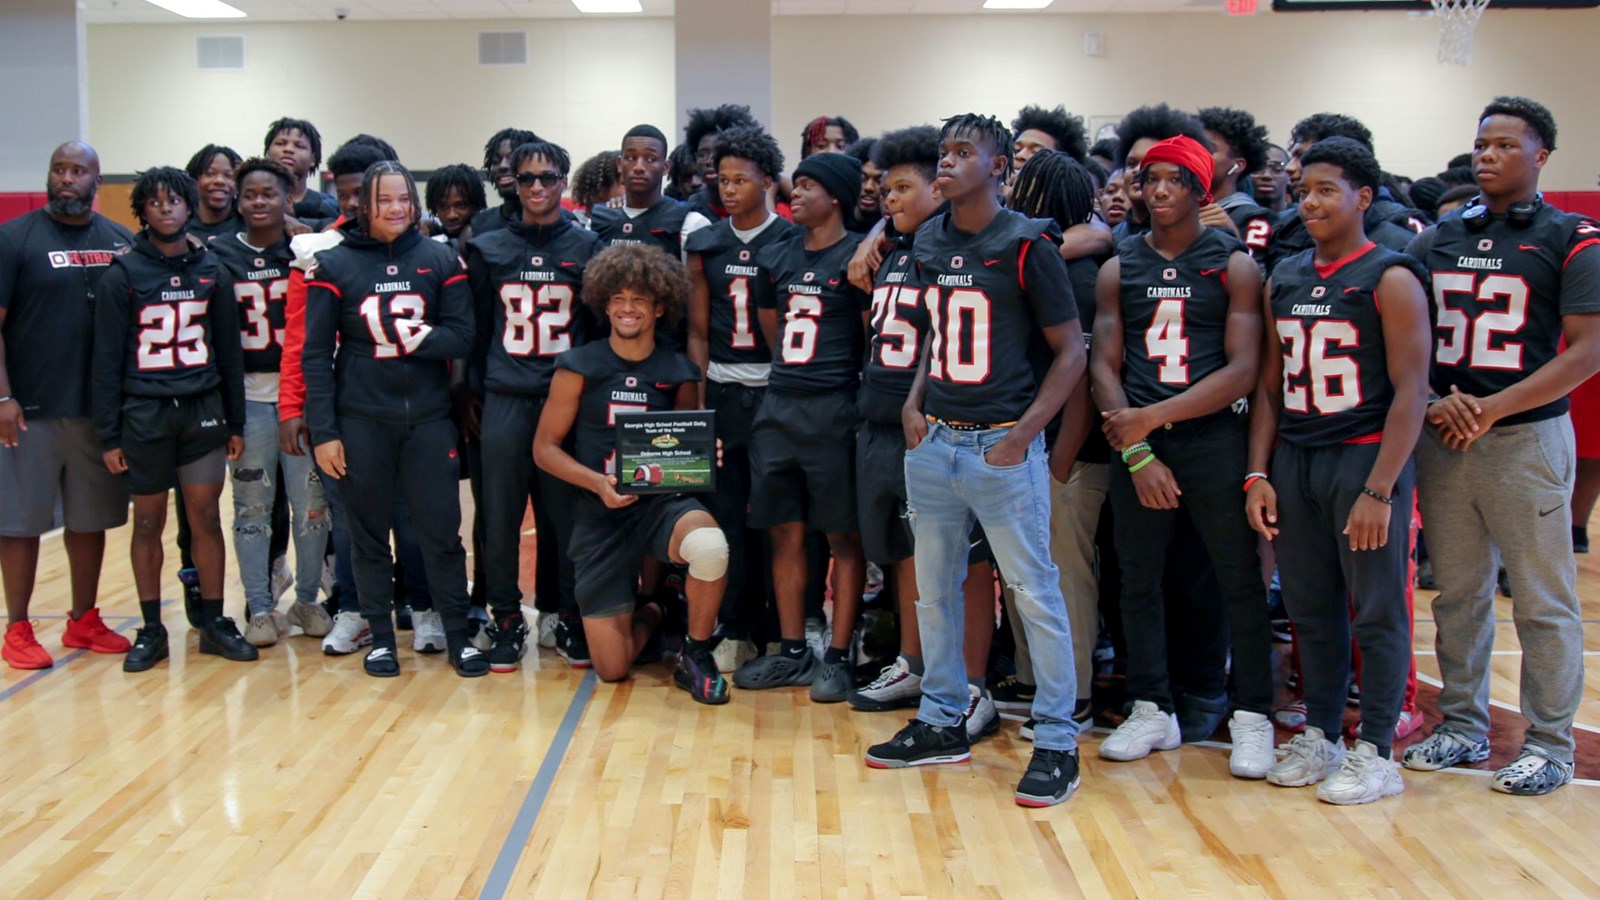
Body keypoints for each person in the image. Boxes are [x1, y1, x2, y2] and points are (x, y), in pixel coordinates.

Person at [865, 113, 1085, 809]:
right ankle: (940, 721)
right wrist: (914, 401)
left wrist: (1024, 435)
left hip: (1000, 445)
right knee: (933, 590)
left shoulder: (1027, 245)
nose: (949, 163)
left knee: (1033, 593)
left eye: (965, 152)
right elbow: (934, 330)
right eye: (945, 152)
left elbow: (1071, 351)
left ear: (999, 168)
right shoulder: (928, 237)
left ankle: (1055, 740)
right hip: (934, 439)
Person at [1401, 97, 1600, 795]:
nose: (1487, 155)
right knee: (1457, 593)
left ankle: (1549, 744)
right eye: (1481, 144)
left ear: (1540, 156)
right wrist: (1435, 401)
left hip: (1525, 439)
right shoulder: (1437, 238)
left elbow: (1587, 351)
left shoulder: (1573, 237)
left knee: (1543, 600)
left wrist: (1491, 407)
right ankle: (1461, 723)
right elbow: (1403, 338)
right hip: (1447, 436)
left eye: (1504, 145)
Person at [1244, 137, 1431, 805]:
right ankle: (1321, 735)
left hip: (1365, 455)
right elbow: (1269, 387)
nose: (1311, 201)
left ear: (1363, 196)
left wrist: (1381, 487)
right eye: (1304, 191)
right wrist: (1258, 472)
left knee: (1377, 612)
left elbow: (1414, 391)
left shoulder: (1392, 276)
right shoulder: (1285, 276)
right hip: (1296, 457)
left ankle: (1377, 750)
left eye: (1327, 189)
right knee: (1310, 611)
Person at [1089, 136, 1276, 779]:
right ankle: (1151, 706)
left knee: (1237, 579)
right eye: (1150, 179)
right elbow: (1102, 366)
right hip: (1138, 445)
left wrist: (1155, 417)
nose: (1160, 190)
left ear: (1201, 189)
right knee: (1137, 579)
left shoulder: (1234, 264)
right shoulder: (1119, 265)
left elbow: (1246, 368)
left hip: (1211, 439)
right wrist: (1139, 449)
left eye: (1175, 179)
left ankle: (1253, 715)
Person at [301, 160, 483, 678]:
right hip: (361, 420)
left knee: (441, 533)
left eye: (404, 199)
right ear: (363, 205)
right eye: (384, 200)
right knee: (367, 535)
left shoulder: (439, 258)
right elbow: (314, 356)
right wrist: (325, 432)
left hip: (427, 420)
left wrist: (412, 335)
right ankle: (380, 637)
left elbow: (462, 336)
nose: (395, 209)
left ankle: (455, 635)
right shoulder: (333, 264)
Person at [847, 126, 999, 739]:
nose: (889, 199)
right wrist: (876, 232)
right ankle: (915, 664)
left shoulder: (955, 247)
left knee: (965, 561)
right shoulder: (889, 248)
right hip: (880, 418)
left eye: (903, 187)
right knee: (907, 554)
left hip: (944, 424)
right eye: (884, 190)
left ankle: (971, 684)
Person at [532, 242, 731, 701]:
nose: (627, 308)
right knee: (613, 669)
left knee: (709, 544)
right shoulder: (578, 365)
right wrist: (598, 484)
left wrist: (704, 452)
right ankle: (660, 610)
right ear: (605, 303)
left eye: (639, 299)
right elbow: (544, 448)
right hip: (600, 514)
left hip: (661, 506)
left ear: (659, 306)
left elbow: (686, 440)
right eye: (618, 299)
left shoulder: (679, 370)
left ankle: (695, 653)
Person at [91, 166, 251, 672]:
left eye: (174, 201)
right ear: (142, 210)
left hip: (202, 409)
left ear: (188, 207)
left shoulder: (211, 268)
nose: (166, 209)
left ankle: (213, 622)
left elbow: (229, 352)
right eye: (155, 202)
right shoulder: (123, 274)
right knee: (148, 521)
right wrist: (109, 434)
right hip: (144, 413)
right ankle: (151, 628)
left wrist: (236, 422)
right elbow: (106, 362)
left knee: (205, 519)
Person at [730, 151, 869, 703]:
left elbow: (868, 340)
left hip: (834, 409)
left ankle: (838, 654)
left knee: (843, 537)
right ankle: (792, 651)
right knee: (783, 530)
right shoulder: (776, 255)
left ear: (835, 196)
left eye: (809, 186)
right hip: (780, 405)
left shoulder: (858, 256)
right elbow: (773, 331)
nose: (797, 194)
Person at [466, 140, 600, 672]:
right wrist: (471, 394)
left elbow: (593, 334)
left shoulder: (587, 248)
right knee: (498, 517)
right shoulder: (488, 246)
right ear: (512, 184)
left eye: (547, 178)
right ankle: (504, 617)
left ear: (564, 182)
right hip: (505, 396)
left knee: (565, 517)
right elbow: (475, 331)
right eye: (526, 179)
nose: (538, 187)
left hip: (564, 401)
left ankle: (566, 614)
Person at [0, 141, 134, 670]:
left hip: (96, 411)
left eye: (78, 171)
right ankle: (17, 626)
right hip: (29, 410)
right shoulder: (14, 239)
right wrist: (3, 395)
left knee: (89, 519)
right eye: (59, 169)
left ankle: (83, 619)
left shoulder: (120, 242)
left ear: (96, 183)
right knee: (20, 522)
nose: (66, 178)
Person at [684, 126, 801, 671]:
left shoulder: (793, 239)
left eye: (741, 180)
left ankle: (786, 629)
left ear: (768, 180)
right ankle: (734, 626)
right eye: (722, 180)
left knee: (780, 515)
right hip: (727, 391)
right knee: (726, 512)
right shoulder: (705, 242)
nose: (729, 189)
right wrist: (700, 403)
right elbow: (700, 333)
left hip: (778, 395)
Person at [211, 156, 333, 646]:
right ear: (238, 202)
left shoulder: (307, 252)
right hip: (246, 400)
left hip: (298, 396)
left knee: (310, 505)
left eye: (269, 194)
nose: (259, 202)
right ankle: (260, 607)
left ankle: (306, 600)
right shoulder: (218, 254)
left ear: (289, 199)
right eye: (250, 195)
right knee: (251, 506)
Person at [1008, 149, 1108, 731]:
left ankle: (1072, 692)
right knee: (1025, 572)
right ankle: (1032, 677)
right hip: (1025, 447)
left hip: (1069, 453)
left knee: (1063, 575)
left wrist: (1061, 460)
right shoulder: (1039, 263)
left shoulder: (1079, 277)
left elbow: (1082, 378)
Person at [1197, 107, 1275, 260]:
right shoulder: (1179, 210)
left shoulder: (1255, 219)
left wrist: (1233, 236)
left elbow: (1259, 278)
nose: (1197, 155)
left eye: (1208, 148)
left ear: (1238, 165)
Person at [685, 105, 760, 222]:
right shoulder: (692, 209)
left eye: (717, 153)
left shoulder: (761, 203)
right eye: (702, 155)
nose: (709, 162)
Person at [264, 117, 338, 223]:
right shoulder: (252, 202)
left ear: (313, 159)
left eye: (299, 146)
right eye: (281, 143)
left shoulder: (329, 207)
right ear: (268, 154)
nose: (288, 150)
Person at [470, 127, 541, 237]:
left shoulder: (564, 225)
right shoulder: (478, 226)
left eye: (513, 159)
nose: (503, 166)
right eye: (496, 161)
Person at [185, 144, 243, 244]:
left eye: (229, 175)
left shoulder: (248, 225)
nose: (219, 181)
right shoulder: (181, 225)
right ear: (194, 180)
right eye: (210, 174)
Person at [423, 163, 487, 244]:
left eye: (460, 205)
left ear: (476, 205)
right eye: (443, 206)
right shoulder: (433, 240)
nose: (451, 215)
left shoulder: (490, 240)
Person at [1251, 144, 1292, 215]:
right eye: (1258, 168)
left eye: (1277, 167)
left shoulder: (1302, 219)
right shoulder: (1234, 217)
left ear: (1289, 176)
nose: (1267, 175)